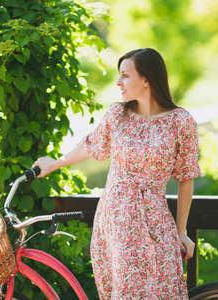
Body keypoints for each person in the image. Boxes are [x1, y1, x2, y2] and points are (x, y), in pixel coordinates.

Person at [32, 48, 201, 300]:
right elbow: (90, 144)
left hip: (155, 219)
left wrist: (181, 231)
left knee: (163, 289)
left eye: (125, 75)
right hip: (116, 218)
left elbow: (186, 178)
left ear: (146, 79)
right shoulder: (117, 115)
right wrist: (56, 163)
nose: (118, 82)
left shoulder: (180, 121)